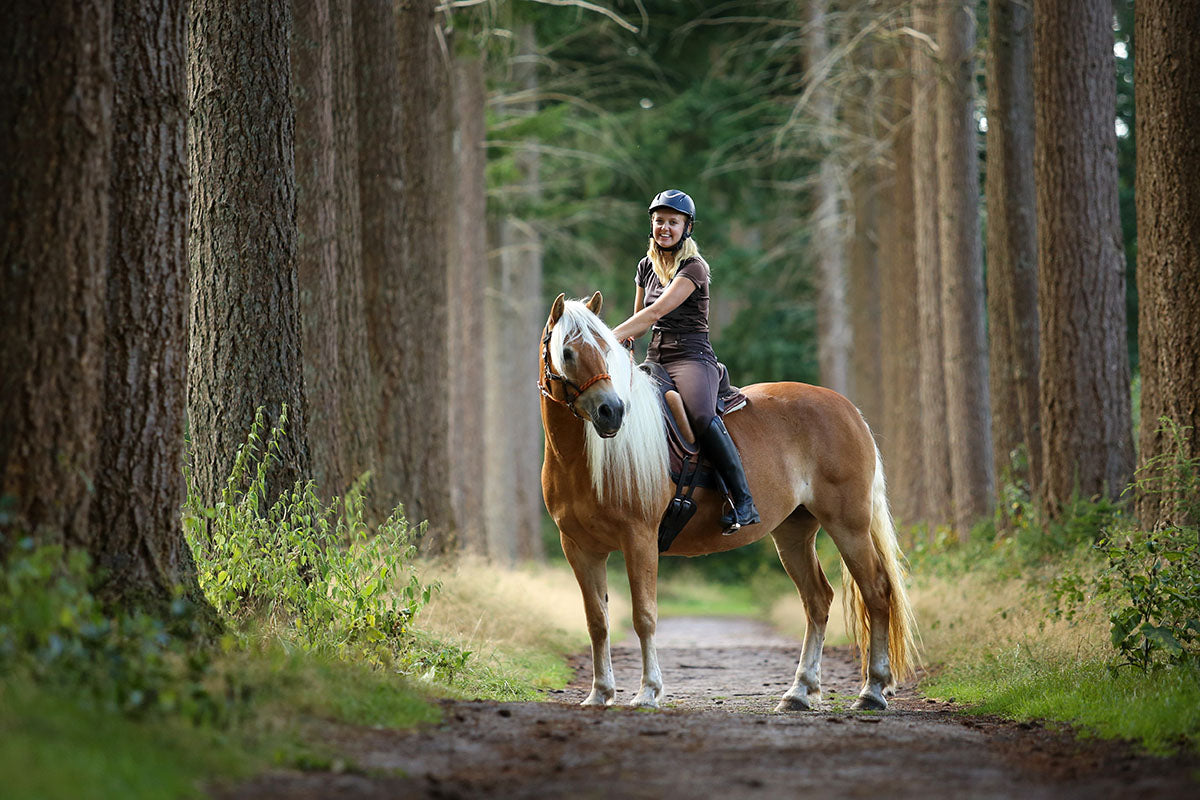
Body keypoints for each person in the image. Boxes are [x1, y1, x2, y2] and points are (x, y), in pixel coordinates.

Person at [611, 189, 760, 531]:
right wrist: (623, 347)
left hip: (691, 356)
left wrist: (606, 336)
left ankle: (743, 500)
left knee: (702, 415)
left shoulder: (694, 267)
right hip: (656, 356)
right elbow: (639, 319)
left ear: (686, 227)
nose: (665, 227)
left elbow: (658, 310)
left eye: (673, 222)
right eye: (659, 221)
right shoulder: (645, 266)